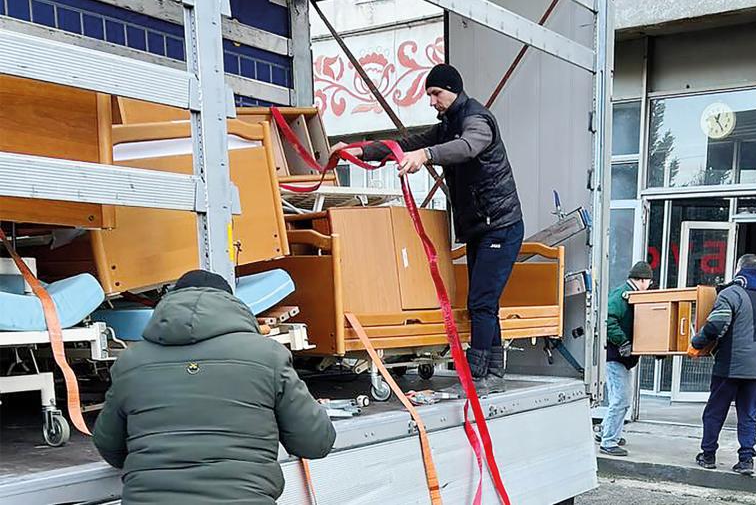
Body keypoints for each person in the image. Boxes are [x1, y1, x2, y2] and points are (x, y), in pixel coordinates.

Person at [333, 63, 523, 394]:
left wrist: (427, 155)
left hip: (500, 225)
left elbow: (468, 146)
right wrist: (358, 150)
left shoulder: (477, 120)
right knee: (484, 304)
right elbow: (405, 144)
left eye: (436, 93)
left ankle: (478, 378)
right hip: (482, 227)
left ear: (453, 89)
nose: (432, 101)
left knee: (481, 302)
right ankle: (493, 375)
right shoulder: (447, 126)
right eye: (430, 95)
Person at [92, 270, 335, 505]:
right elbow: (315, 442)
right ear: (232, 305)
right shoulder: (268, 355)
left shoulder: (131, 361)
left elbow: (109, 446)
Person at [691, 254, 756, 475]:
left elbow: (715, 326)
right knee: (748, 414)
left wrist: (696, 342)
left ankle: (708, 455)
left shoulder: (731, 294)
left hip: (730, 364)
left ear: (739, 269)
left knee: (715, 412)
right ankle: (746, 460)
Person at [597, 261, 653, 456]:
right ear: (642, 280)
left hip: (620, 357)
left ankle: (606, 432)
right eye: (649, 282)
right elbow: (607, 320)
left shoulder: (630, 294)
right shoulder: (623, 295)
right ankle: (608, 441)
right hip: (615, 357)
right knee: (621, 399)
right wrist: (622, 342)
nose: (649, 286)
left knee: (619, 398)